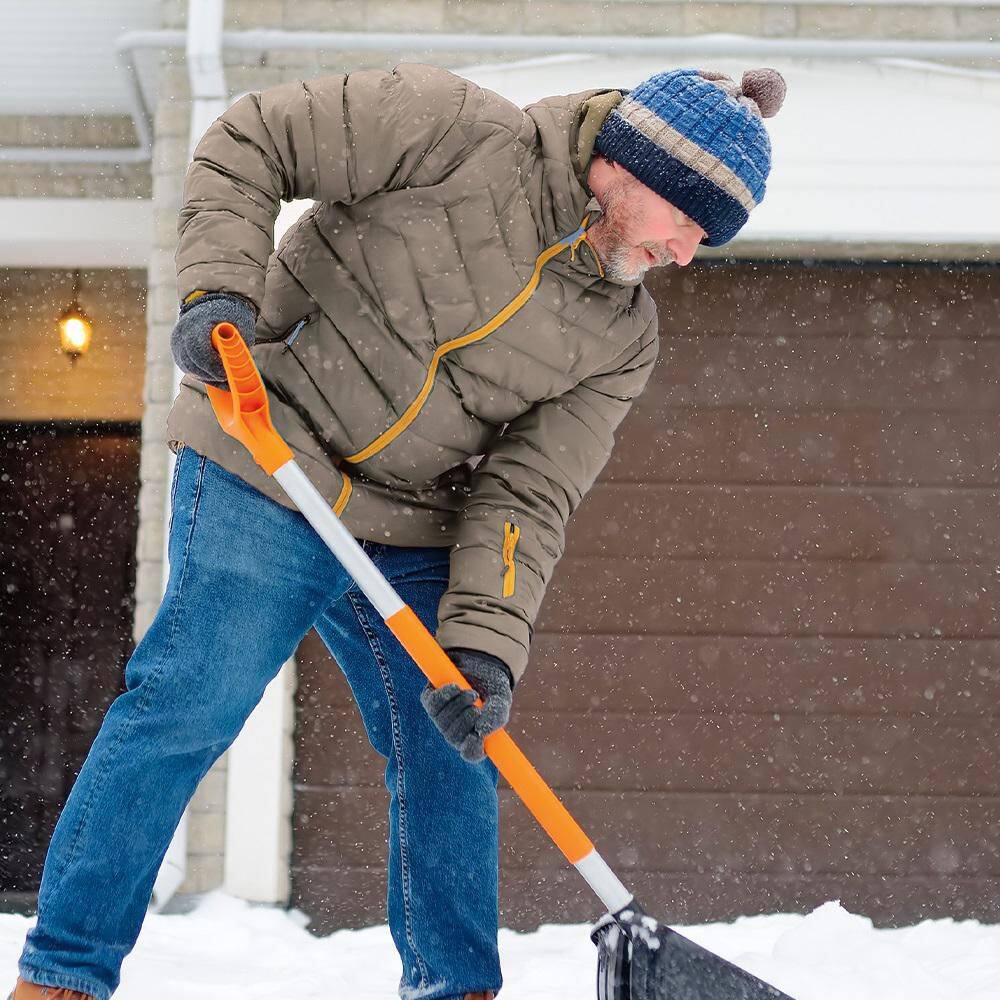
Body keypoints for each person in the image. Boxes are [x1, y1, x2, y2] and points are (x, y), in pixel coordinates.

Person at [10, 61, 784, 1000]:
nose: (689, 254)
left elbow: (528, 491)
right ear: (636, 168)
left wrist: (485, 649)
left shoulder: (622, 337)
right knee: (188, 703)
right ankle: (65, 977)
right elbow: (250, 138)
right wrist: (221, 292)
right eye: (690, 224)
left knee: (453, 749)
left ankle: (455, 987)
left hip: (414, 518)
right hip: (268, 449)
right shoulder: (452, 128)